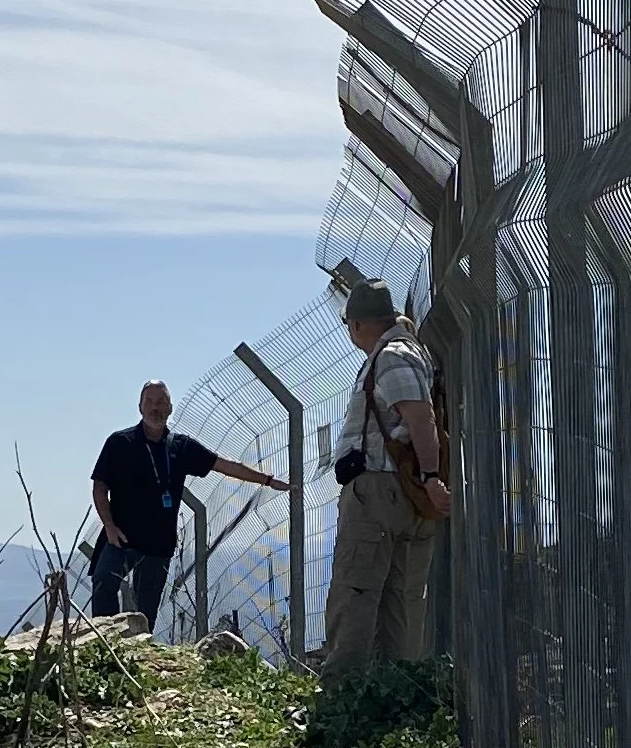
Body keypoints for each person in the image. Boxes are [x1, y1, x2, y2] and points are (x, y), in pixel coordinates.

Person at [322, 279, 445, 682]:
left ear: (357, 324)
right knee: (401, 599)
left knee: (354, 590)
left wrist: (429, 476)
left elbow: (420, 417)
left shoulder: (392, 356)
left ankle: (342, 695)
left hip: (379, 490)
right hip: (402, 494)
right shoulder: (410, 352)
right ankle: (397, 691)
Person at [90, 380, 286, 630]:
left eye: (161, 402)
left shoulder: (180, 447)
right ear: (139, 407)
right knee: (104, 581)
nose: (155, 408)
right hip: (120, 536)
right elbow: (99, 486)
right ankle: (103, 644)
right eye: (149, 402)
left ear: (170, 408)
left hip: (157, 544)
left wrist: (267, 480)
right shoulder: (119, 443)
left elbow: (224, 465)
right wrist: (108, 525)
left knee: (145, 613)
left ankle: (135, 657)